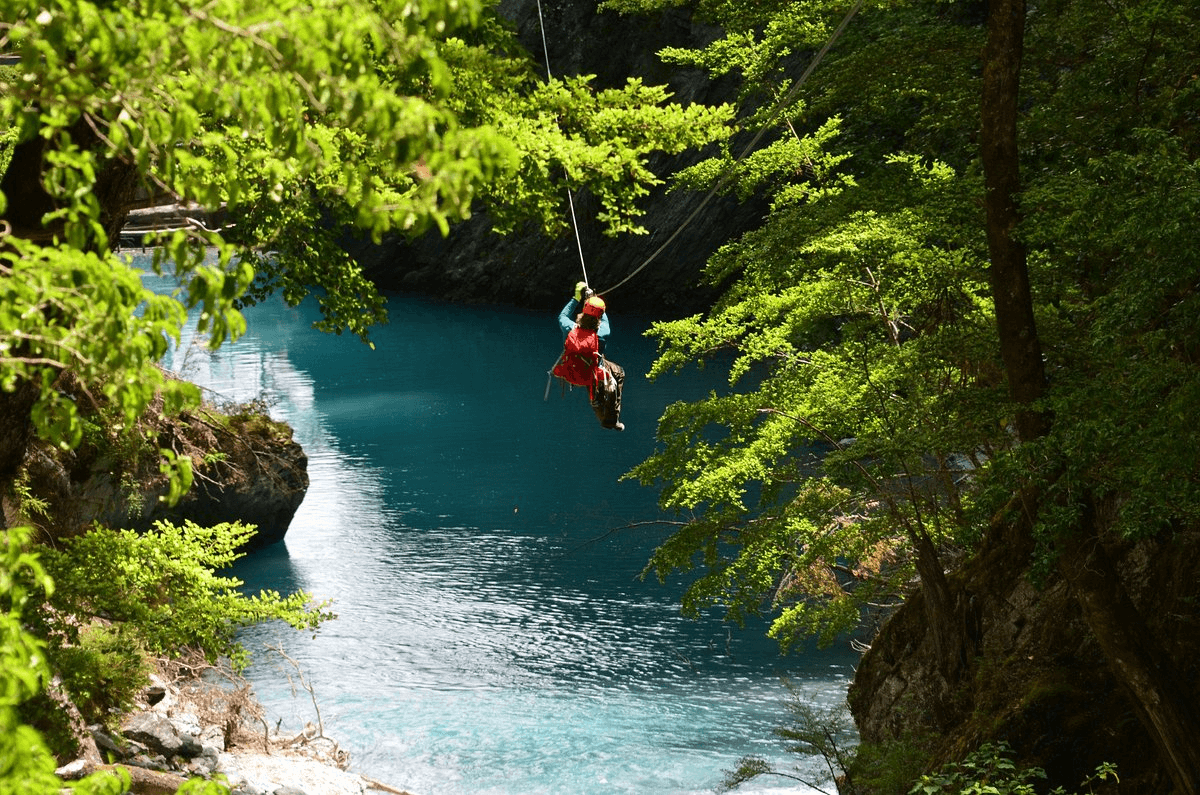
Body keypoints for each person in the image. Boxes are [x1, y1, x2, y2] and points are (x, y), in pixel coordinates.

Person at [553, 283, 625, 431]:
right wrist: (594, 298)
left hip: (571, 372)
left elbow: (562, 316)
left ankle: (597, 401)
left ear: (583, 313)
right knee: (619, 372)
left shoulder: (569, 328)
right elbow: (604, 320)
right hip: (592, 375)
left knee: (590, 367)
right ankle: (611, 418)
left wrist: (576, 297)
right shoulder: (602, 333)